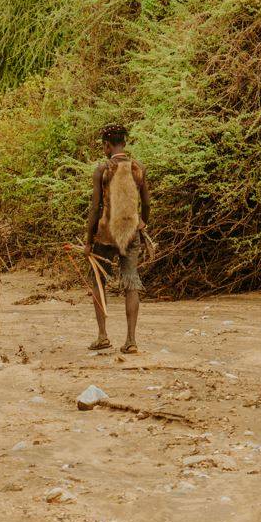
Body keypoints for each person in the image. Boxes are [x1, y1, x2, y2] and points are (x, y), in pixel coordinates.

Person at [84, 123, 151, 354]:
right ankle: (131, 340)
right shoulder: (138, 168)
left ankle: (103, 336)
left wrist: (88, 240)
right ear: (124, 142)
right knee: (131, 282)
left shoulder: (102, 170)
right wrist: (143, 222)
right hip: (131, 233)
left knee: (98, 282)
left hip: (105, 235)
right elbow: (147, 203)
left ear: (106, 145)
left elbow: (95, 208)